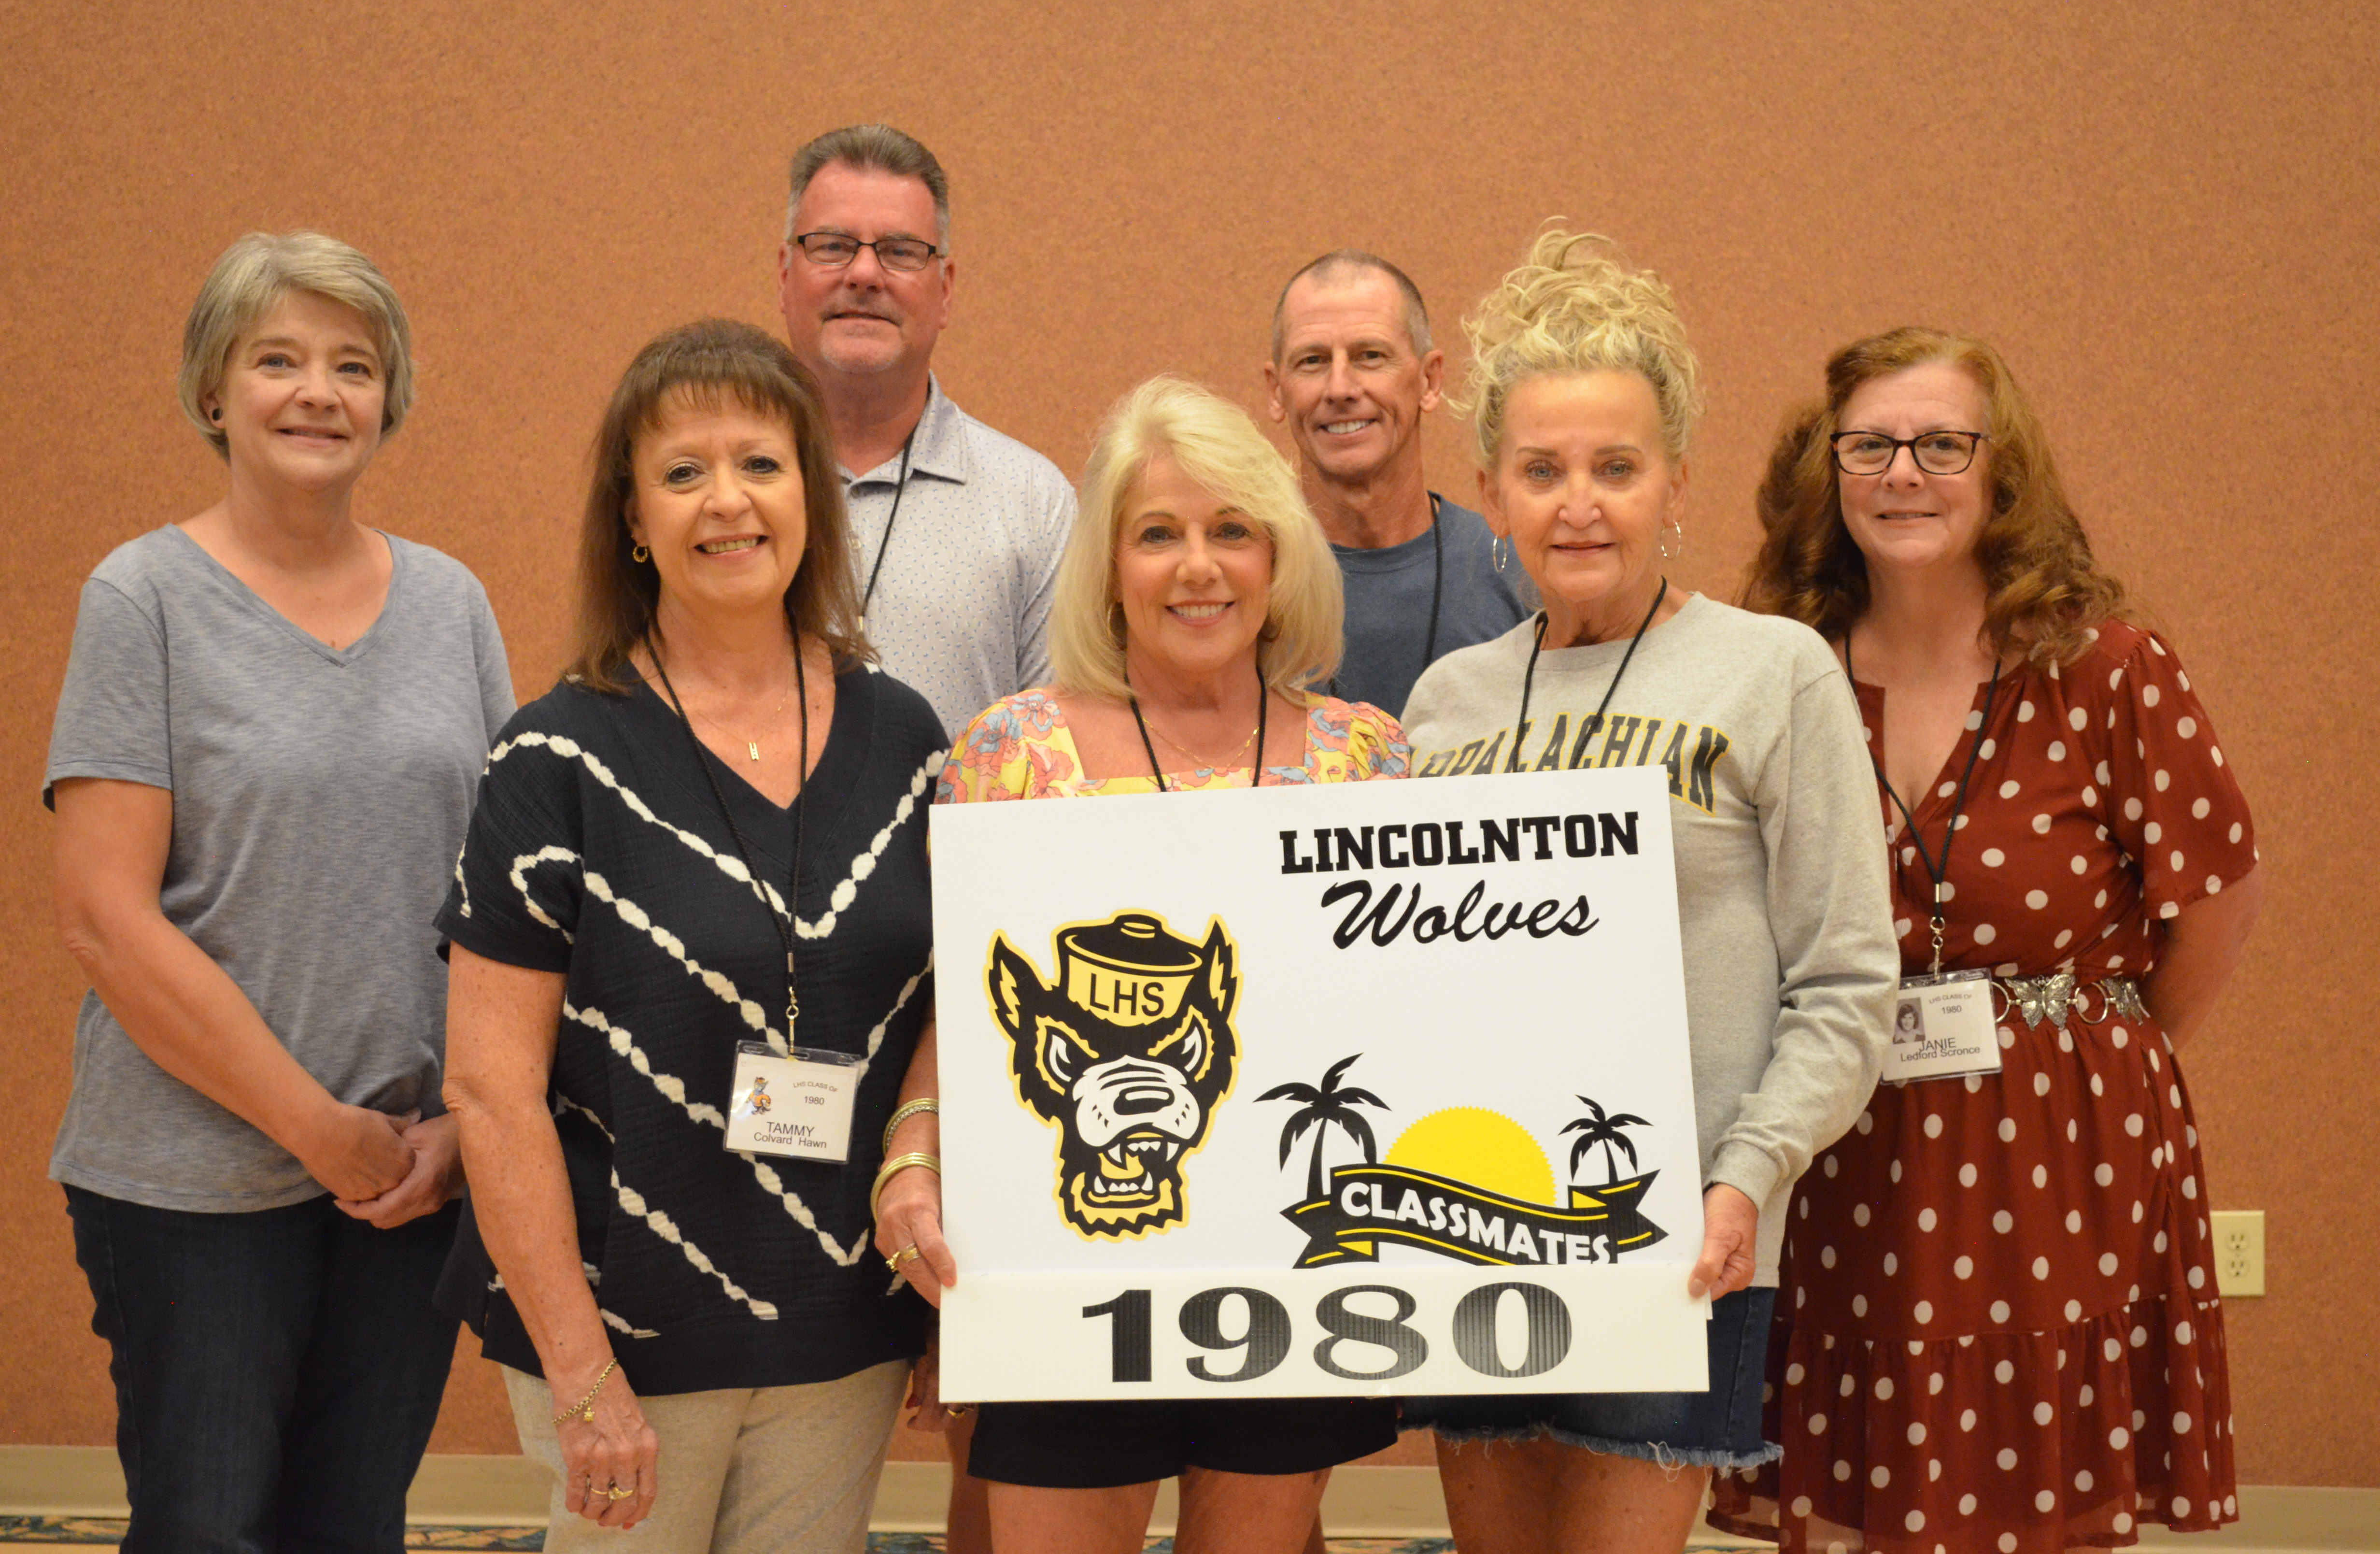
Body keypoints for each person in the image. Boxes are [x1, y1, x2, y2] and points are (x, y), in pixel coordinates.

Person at [1709, 328, 2265, 1553]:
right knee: (1862, 1496)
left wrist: (2093, 1049)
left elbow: (2217, 892)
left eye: (1942, 443)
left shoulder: (2104, 669)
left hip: (2061, 1147)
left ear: (1999, 471)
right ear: (1830, 471)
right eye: (1872, 445)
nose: (1905, 471)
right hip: (1848, 1139)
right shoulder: (1783, 673)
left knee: (2036, 1498)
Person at [1393, 230, 1899, 1554]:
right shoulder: (1446, 705)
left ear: (1675, 482)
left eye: (1616, 468)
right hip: (1473, 1221)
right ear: (1491, 488)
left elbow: (1848, 983)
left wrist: (1748, 1178)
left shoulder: (1773, 672)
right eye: (1543, 470)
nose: (1581, 504)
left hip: (1683, 1229)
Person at [874, 375, 1407, 1554]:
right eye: (1157, 534)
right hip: (1062, 1260)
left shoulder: (1366, 760)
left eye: (1232, 531)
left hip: (1291, 1273)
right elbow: (959, 1004)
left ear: (1279, 560)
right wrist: (914, 1152)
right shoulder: (1012, 753)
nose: (1199, 567)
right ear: (1108, 567)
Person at [437, 321, 944, 1552]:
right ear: (633, 516)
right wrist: (583, 1375)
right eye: (684, 472)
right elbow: (489, 1088)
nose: (729, 502)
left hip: (840, 1321)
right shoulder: (555, 757)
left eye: (762, 465)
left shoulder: (907, 739)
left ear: (811, 496)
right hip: (625, 1330)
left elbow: (951, 1011)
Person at [45, 230, 513, 1550]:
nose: (319, 392)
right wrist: (315, 1129)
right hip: (193, 1185)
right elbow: (105, 918)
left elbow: (512, 898)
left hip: (412, 1176)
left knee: (353, 1525)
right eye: (279, 361)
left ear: (390, 400)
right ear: (214, 392)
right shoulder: (142, 600)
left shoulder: (452, 603)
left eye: (353, 366)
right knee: (208, 1528)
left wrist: (465, 1131)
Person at [777, 122, 1077, 740]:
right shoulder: (718, 497)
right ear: (784, 275)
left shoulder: (1033, 503)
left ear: (944, 290)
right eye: (832, 246)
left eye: (900, 251)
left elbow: (1061, 766)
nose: (863, 274)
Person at [1264, 248, 1535, 717]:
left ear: (1429, 381)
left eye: (1370, 356)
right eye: (1311, 361)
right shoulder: (1239, 582)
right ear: (1276, 392)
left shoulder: (1515, 573)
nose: (1340, 389)